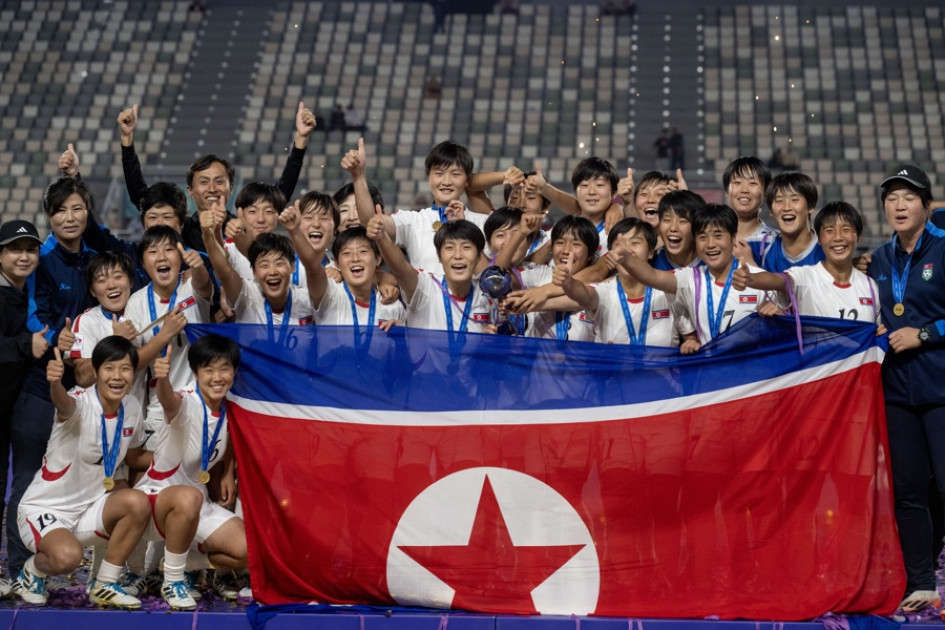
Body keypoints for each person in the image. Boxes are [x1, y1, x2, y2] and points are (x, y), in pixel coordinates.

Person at [14, 336, 151, 608]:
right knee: (68, 558)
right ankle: (32, 572)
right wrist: (55, 384)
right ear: (96, 372)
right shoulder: (80, 401)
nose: (117, 376)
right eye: (109, 368)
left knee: (137, 502)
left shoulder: (132, 408)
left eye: (125, 368)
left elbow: (135, 456)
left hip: (88, 510)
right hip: (45, 509)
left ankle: (105, 584)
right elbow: (64, 406)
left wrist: (181, 458)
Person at [7, 178, 99, 580]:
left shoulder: (94, 259)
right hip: (40, 385)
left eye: (77, 208)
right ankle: (17, 566)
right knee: (28, 476)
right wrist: (48, 337)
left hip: (82, 388)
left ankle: (57, 562)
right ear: (49, 217)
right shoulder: (41, 260)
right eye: (60, 210)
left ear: (88, 212)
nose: (70, 217)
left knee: (74, 475)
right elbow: (33, 314)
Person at [867, 164, 945, 613]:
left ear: (927, 205)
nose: (899, 206)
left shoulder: (944, 247)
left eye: (909, 197)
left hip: (940, 388)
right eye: (892, 198)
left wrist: (925, 333)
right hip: (897, 391)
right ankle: (921, 582)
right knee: (909, 491)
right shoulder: (879, 259)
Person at [135, 334, 247, 609]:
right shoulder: (185, 400)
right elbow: (169, 402)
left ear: (234, 372)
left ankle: (185, 564)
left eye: (224, 369)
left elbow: (224, 439)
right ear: (196, 372)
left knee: (248, 550)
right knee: (189, 497)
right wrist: (162, 380)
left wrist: (227, 471)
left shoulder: (229, 407)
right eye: (208, 370)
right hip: (156, 500)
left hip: (196, 504)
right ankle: (172, 581)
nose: (217, 377)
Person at [116, 101, 315, 256]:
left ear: (231, 188)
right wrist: (126, 139)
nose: (212, 188)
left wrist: (301, 139)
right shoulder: (182, 228)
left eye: (219, 181)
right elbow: (141, 197)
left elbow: (279, 195)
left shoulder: (241, 227)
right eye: (203, 182)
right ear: (190, 190)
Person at [616, 203, 771, 352]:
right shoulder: (690, 278)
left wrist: (778, 312)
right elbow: (652, 276)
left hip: (750, 369)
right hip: (711, 368)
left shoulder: (758, 278)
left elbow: (780, 326)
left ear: (734, 237)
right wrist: (626, 258)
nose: (710, 244)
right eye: (702, 237)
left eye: (718, 236)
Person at [733, 201, 882, 326]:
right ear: (819, 238)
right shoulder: (805, 276)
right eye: (829, 230)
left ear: (859, 236)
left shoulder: (871, 287)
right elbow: (779, 280)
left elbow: (877, 333)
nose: (838, 237)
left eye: (846, 229)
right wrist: (751, 278)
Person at [554, 218, 690, 347]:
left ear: (650, 252)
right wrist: (569, 283)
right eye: (619, 245)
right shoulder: (604, 291)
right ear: (609, 254)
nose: (626, 251)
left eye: (635, 243)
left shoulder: (668, 292)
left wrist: (691, 343)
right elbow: (586, 295)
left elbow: (691, 339)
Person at [0, 220, 46, 595]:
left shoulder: (21, 293)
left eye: (30, 250)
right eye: (15, 249)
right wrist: (24, 345)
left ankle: (13, 572)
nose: (24, 256)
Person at [281, 202, 404, 329]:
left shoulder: (393, 305)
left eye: (363, 251)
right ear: (337, 264)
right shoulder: (329, 294)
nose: (355, 258)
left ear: (378, 259)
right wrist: (295, 231)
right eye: (347, 253)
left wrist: (400, 334)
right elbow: (312, 267)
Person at [366, 213, 495, 334]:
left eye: (466, 247)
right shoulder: (426, 287)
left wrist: (485, 340)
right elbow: (400, 269)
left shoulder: (487, 297)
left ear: (479, 256)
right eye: (449, 248)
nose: (458, 255)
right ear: (439, 256)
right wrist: (382, 238)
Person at [202, 207, 314, 332]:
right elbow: (224, 271)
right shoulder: (246, 295)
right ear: (254, 271)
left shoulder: (308, 299)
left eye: (279, 263)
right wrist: (207, 235)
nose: (272, 271)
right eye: (264, 265)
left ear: (292, 267)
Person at [744, 172, 824, 273]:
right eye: (779, 201)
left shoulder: (826, 247)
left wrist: (753, 269)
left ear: (810, 206)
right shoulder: (760, 245)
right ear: (771, 211)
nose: (786, 207)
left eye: (794, 200)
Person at [723, 156, 774, 240]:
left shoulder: (774, 241)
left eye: (752, 183)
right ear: (726, 191)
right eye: (737, 182)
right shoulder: (711, 239)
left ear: (765, 192)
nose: (744, 190)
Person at [652, 190, 704, 271]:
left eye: (682, 221)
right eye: (667, 220)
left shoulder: (713, 263)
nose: (673, 228)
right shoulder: (650, 264)